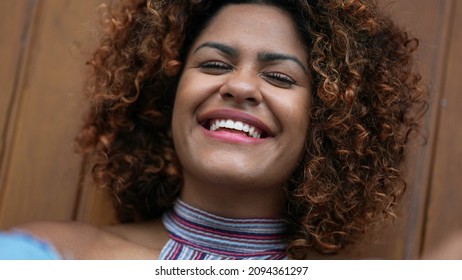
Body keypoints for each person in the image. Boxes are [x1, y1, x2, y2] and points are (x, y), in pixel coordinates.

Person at [9, 0, 426, 259]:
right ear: (166, 96)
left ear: (328, 121)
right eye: (214, 64)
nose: (240, 86)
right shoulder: (51, 256)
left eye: (280, 77)